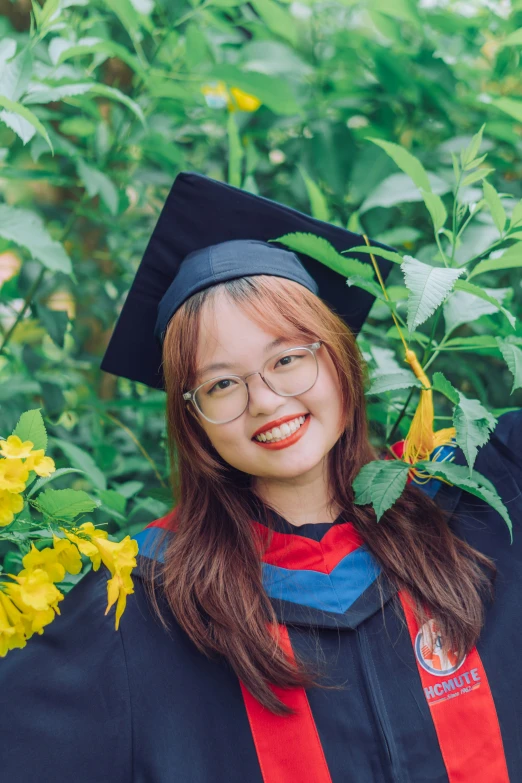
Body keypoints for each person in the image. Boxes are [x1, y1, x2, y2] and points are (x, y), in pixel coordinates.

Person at [1, 171, 521, 783]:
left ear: (338, 356)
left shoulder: (476, 506)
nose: (267, 400)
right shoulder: (139, 603)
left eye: (288, 358)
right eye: (222, 384)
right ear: (191, 419)